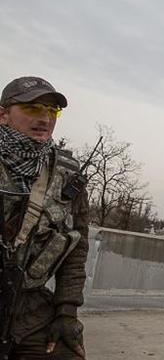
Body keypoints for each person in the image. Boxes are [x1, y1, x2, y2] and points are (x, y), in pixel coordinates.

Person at [0, 76, 88, 359]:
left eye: (52, 111)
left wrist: (67, 312)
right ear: (3, 115)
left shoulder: (68, 176)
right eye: (33, 108)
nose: (45, 118)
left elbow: (77, 248)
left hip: (31, 312)